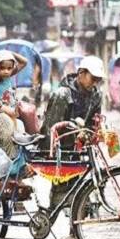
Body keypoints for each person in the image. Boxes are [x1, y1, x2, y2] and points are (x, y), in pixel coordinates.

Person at [39, 55, 106, 211]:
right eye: (93, 78)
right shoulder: (63, 94)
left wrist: (97, 133)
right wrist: (48, 155)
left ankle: (74, 233)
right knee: (60, 195)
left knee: (83, 192)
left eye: (98, 79)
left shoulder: (96, 95)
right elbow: (51, 126)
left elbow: (94, 123)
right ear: (81, 73)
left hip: (80, 149)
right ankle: (48, 221)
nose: (95, 83)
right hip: (61, 150)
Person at [0, 50, 28, 158]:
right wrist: (10, 111)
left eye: (9, 68)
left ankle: (21, 160)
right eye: (2, 68)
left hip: (12, 113)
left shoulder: (8, 77)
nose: (6, 71)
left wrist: (9, 53)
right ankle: (10, 159)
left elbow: (24, 62)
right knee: (9, 136)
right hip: (1, 114)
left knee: (20, 130)